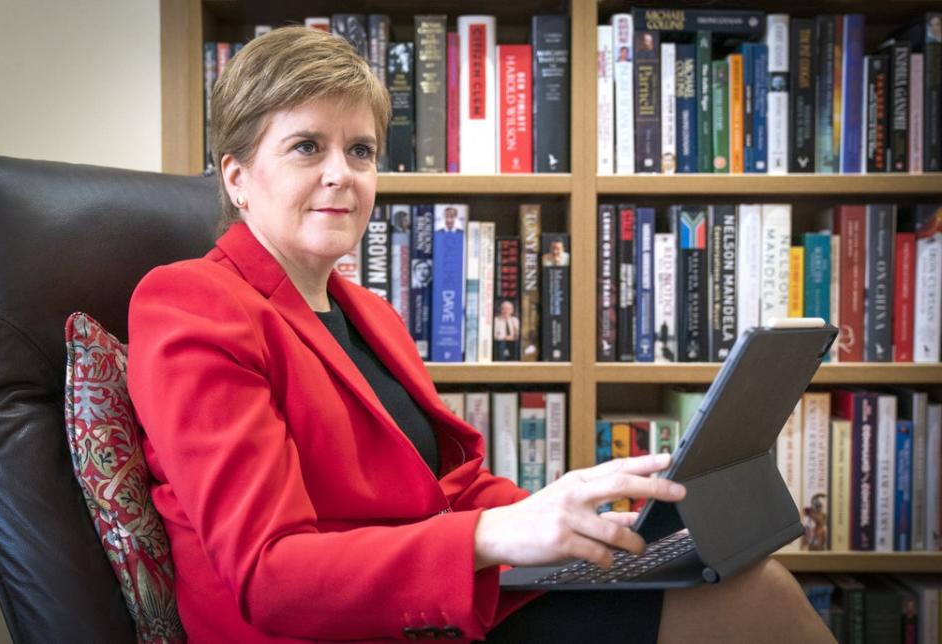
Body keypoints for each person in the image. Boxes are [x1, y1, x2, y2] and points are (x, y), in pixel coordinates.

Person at [128, 25, 834, 643]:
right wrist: (496, 537)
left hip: (447, 608)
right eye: (307, 147)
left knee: (742, 580)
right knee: (755, 602)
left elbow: (450, 489)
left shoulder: (368, 312)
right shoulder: (191, 303)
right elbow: (270, 574)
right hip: (333, 630)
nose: (341, 174)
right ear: (238, 176)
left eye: (362, 150)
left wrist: (564, 512)